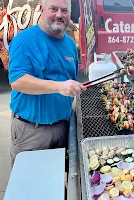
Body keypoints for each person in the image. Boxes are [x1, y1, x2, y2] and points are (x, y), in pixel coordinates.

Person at [8, 0, 86, 166]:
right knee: (31, 185)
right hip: (32, 132)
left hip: (63, 126)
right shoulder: (25, 40)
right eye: (53, 9)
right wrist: (59, 86)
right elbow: (18, 81)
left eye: (64, 10)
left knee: (57, 184)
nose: (59, 15)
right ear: (42, 9)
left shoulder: (71, 45)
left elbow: (71, 77)